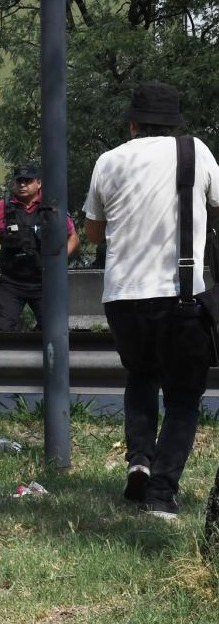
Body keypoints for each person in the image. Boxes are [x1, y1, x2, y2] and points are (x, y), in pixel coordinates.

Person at [84, 81, 219, 520]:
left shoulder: (109, 160)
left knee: (140, 378)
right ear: (176, 122)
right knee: (182, 397)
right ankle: (161, 494)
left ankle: (139, 460)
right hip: (182, 296)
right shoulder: (195, 152)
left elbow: (93, 233)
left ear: (134, 123)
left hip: (123, 297)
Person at [0, 163, 80, 331]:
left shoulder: (52, 207)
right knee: (3, 329)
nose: (22, 185)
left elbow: (73, 237)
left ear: (39, 183)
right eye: (19, 181)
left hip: (45, 282)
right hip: (12, 283)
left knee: (53, 330)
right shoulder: (1, 209)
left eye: (27, 181)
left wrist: (60, 258)